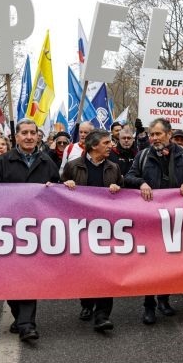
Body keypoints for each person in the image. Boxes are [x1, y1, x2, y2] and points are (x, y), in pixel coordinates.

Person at [0, 118, 60, 342]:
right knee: (9, 278)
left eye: (33, 132)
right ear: (16, 137)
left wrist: (55, 188)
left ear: (38, 136)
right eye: (24, 133)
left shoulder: (47, 162)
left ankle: (28, 324)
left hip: (35, 230)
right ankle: (19, 316)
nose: (29, 136)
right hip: (7, 229)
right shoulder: (2, 162)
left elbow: (58, 193)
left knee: (29, 276)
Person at [125, 118, 183, 325]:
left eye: (157, 134)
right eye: (151, 134)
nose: (154, 138)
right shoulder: (143, 155)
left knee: (170, 261)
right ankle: (149, 305)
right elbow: (129, 177)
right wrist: (142, 183)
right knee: (151, 262)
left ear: (169, 134)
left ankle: (164, 300)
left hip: (175, 217)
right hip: (150, 218)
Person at [61, 129, 123, 332]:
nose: (110, 146)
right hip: (81, 227)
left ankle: (103, 314)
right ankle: (87, 303)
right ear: (94, 145)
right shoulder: (73, 166)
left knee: (107, 270)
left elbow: (123, 195)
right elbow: (58, 193)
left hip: (106, 229)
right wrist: (66, 185)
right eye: (106, 142)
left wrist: (117, 188)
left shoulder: (113, 167)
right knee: (85, 269)